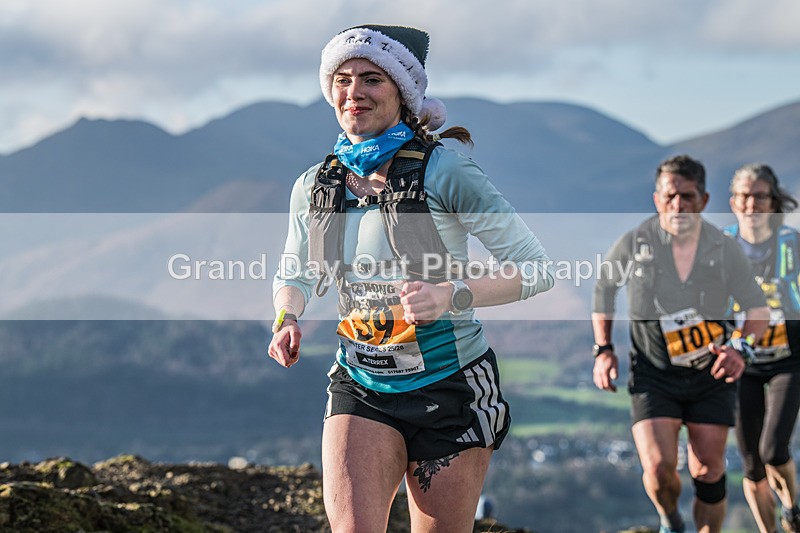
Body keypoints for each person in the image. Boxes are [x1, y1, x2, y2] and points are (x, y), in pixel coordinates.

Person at [268, 24, 554, 532]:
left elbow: (535, 270)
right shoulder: (316, 184)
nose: (354, 93)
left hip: (450, 387)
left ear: (403, 91)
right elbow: (299, 268)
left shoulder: (446, 171)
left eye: (372, 79)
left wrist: (452, 295)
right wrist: (288, 315)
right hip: (361, 383)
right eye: (342, 79)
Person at [591, 154, 770, 533]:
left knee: (708, 468)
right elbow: (604, 290)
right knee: (658, 471)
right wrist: (603, 349)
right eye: (670, 196)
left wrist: (742, 349)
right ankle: (671, 523)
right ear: (657, 199)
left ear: (704, 200)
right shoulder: (635, 242)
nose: (678, 205)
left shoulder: (724, 249)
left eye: (687, 196)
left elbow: (758, 309)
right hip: (654, 374)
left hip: (711, 374)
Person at [726, 163, 800, 533]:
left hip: (790, 359)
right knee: (752, 462)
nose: (752, 203)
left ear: (773, 202)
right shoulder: (721, 247)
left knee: (774, 450)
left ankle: (792, 509)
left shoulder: (793, 244)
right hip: (743, 363)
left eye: (760, 196)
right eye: (744, 196)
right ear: (733, 202)